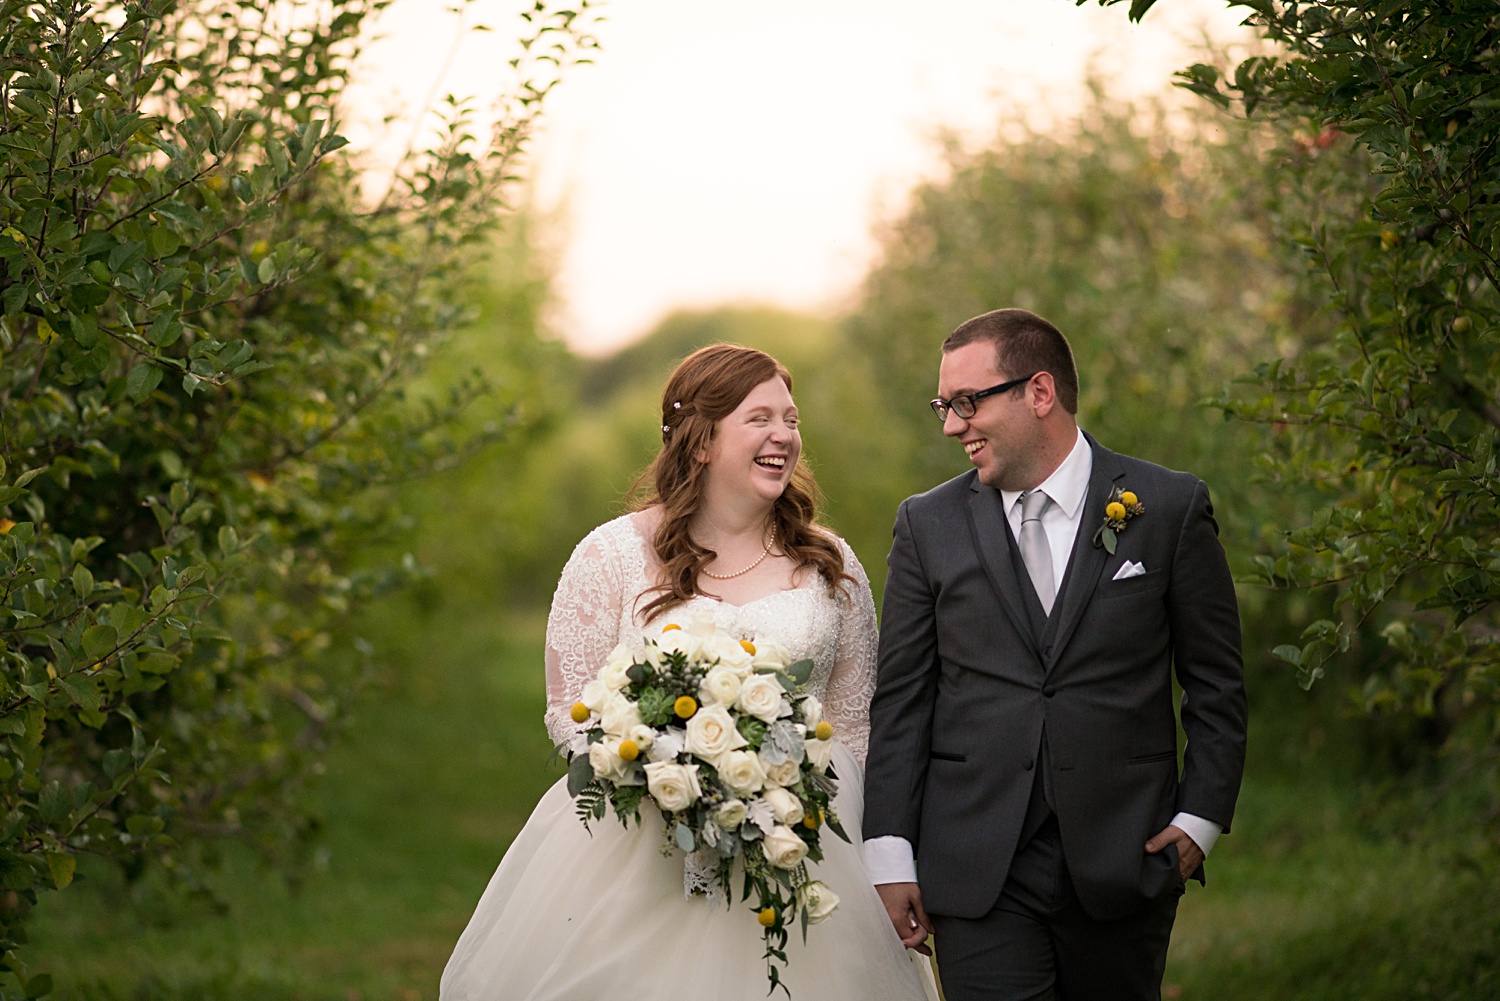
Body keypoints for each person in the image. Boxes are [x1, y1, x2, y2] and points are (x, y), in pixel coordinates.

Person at [441, 344, 937, 1000]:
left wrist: (794, 803)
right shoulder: (613, 554)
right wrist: (672, 773)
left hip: (804, 845)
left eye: (791, 420)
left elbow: (854, 721)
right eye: (759, 419)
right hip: (645, 846)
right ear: (700, 441)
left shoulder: (830, 563)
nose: (784, 436)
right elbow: (569, 709)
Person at [863, 309, 1248, 1001]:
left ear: (1039, 392)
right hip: (977, 867)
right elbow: (903, 699)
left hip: (1127, 859)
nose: (951, 424)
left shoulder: (1168, 507)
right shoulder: (927, 523)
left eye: (966, 402)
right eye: (943, 406)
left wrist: (1200, 821)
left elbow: (1216, 683)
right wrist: (888, 851)